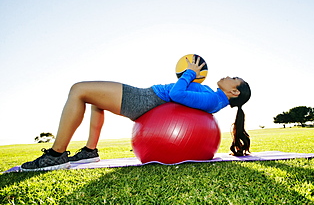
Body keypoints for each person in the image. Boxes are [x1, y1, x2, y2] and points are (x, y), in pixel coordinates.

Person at [21, 57, 251, 171]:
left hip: (146, 101)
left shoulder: (213, 99)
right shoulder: (214, 97)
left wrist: (189, 73)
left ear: (233, 91)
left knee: (79, 89)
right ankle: (89, 151)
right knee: (95, 101)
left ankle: (55, 155)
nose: (229, 75)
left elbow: (177, 93)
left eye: (234, 78)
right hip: (148, 100)